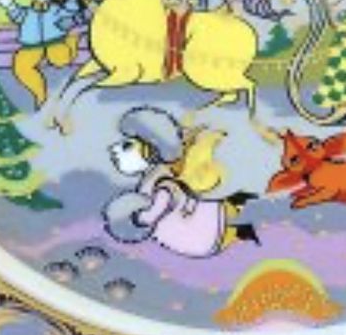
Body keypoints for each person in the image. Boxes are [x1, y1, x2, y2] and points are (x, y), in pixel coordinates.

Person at [103, 107, 258, 258]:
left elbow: (165, 197)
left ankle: (242, 215)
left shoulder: (160, 179)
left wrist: (143, 218)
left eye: (127, 146)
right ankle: (241, 222)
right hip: (188, 226)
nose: (113, 149)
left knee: (218, 222)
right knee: (220, 222)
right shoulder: (154, 178)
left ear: (150, 150)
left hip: (192, 228)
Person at [0, 0, 84, 107]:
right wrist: (10, 5)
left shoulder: (55, 8)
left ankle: (72, 42)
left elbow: (68, 11)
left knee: (60, 60)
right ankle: (40, 95)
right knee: (21, 67)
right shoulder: (28, 10)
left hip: (55, 40)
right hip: (30, 44)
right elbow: (19, 17)